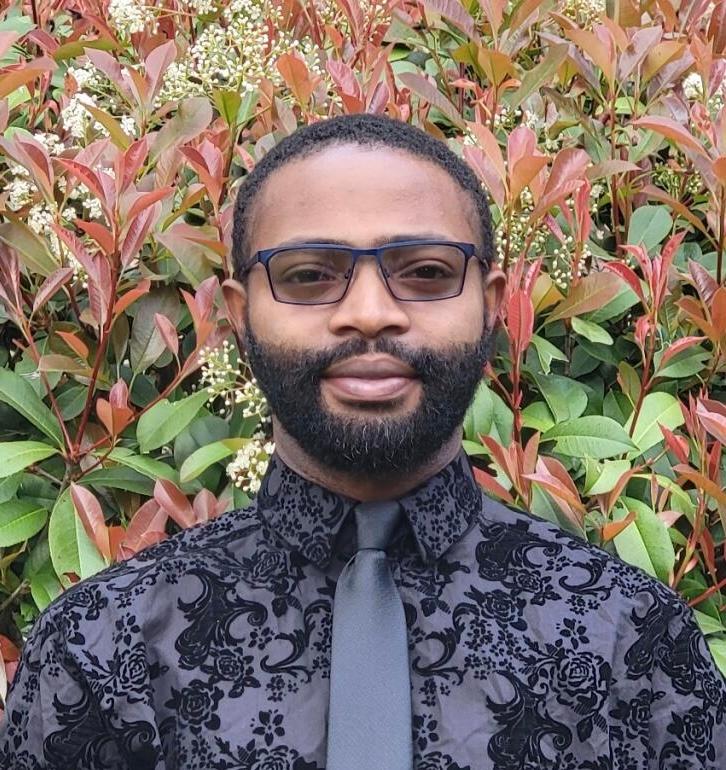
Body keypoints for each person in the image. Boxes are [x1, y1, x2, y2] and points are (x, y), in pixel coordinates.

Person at [1, 114, 724, 770]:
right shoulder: (101, 648)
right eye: (309, 276)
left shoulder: (632, 639)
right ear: (240, 317)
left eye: (427, 273)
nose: (370, 313)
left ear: (491, 308)